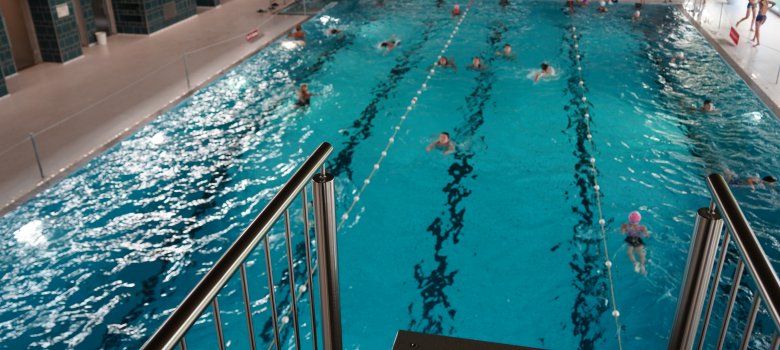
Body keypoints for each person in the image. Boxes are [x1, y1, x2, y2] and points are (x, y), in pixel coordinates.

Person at [620, 211, 650, 275]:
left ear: (629, 219)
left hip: (630, 240)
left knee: (629, 252)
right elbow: (647, 235)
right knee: (641, 254)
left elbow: (621, 233)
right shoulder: (642, 227)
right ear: (639, 220)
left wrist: (623, 229)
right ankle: (642, 266)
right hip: (638, 240)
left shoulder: (625, 225)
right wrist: (647, 234)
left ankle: (635, 263)